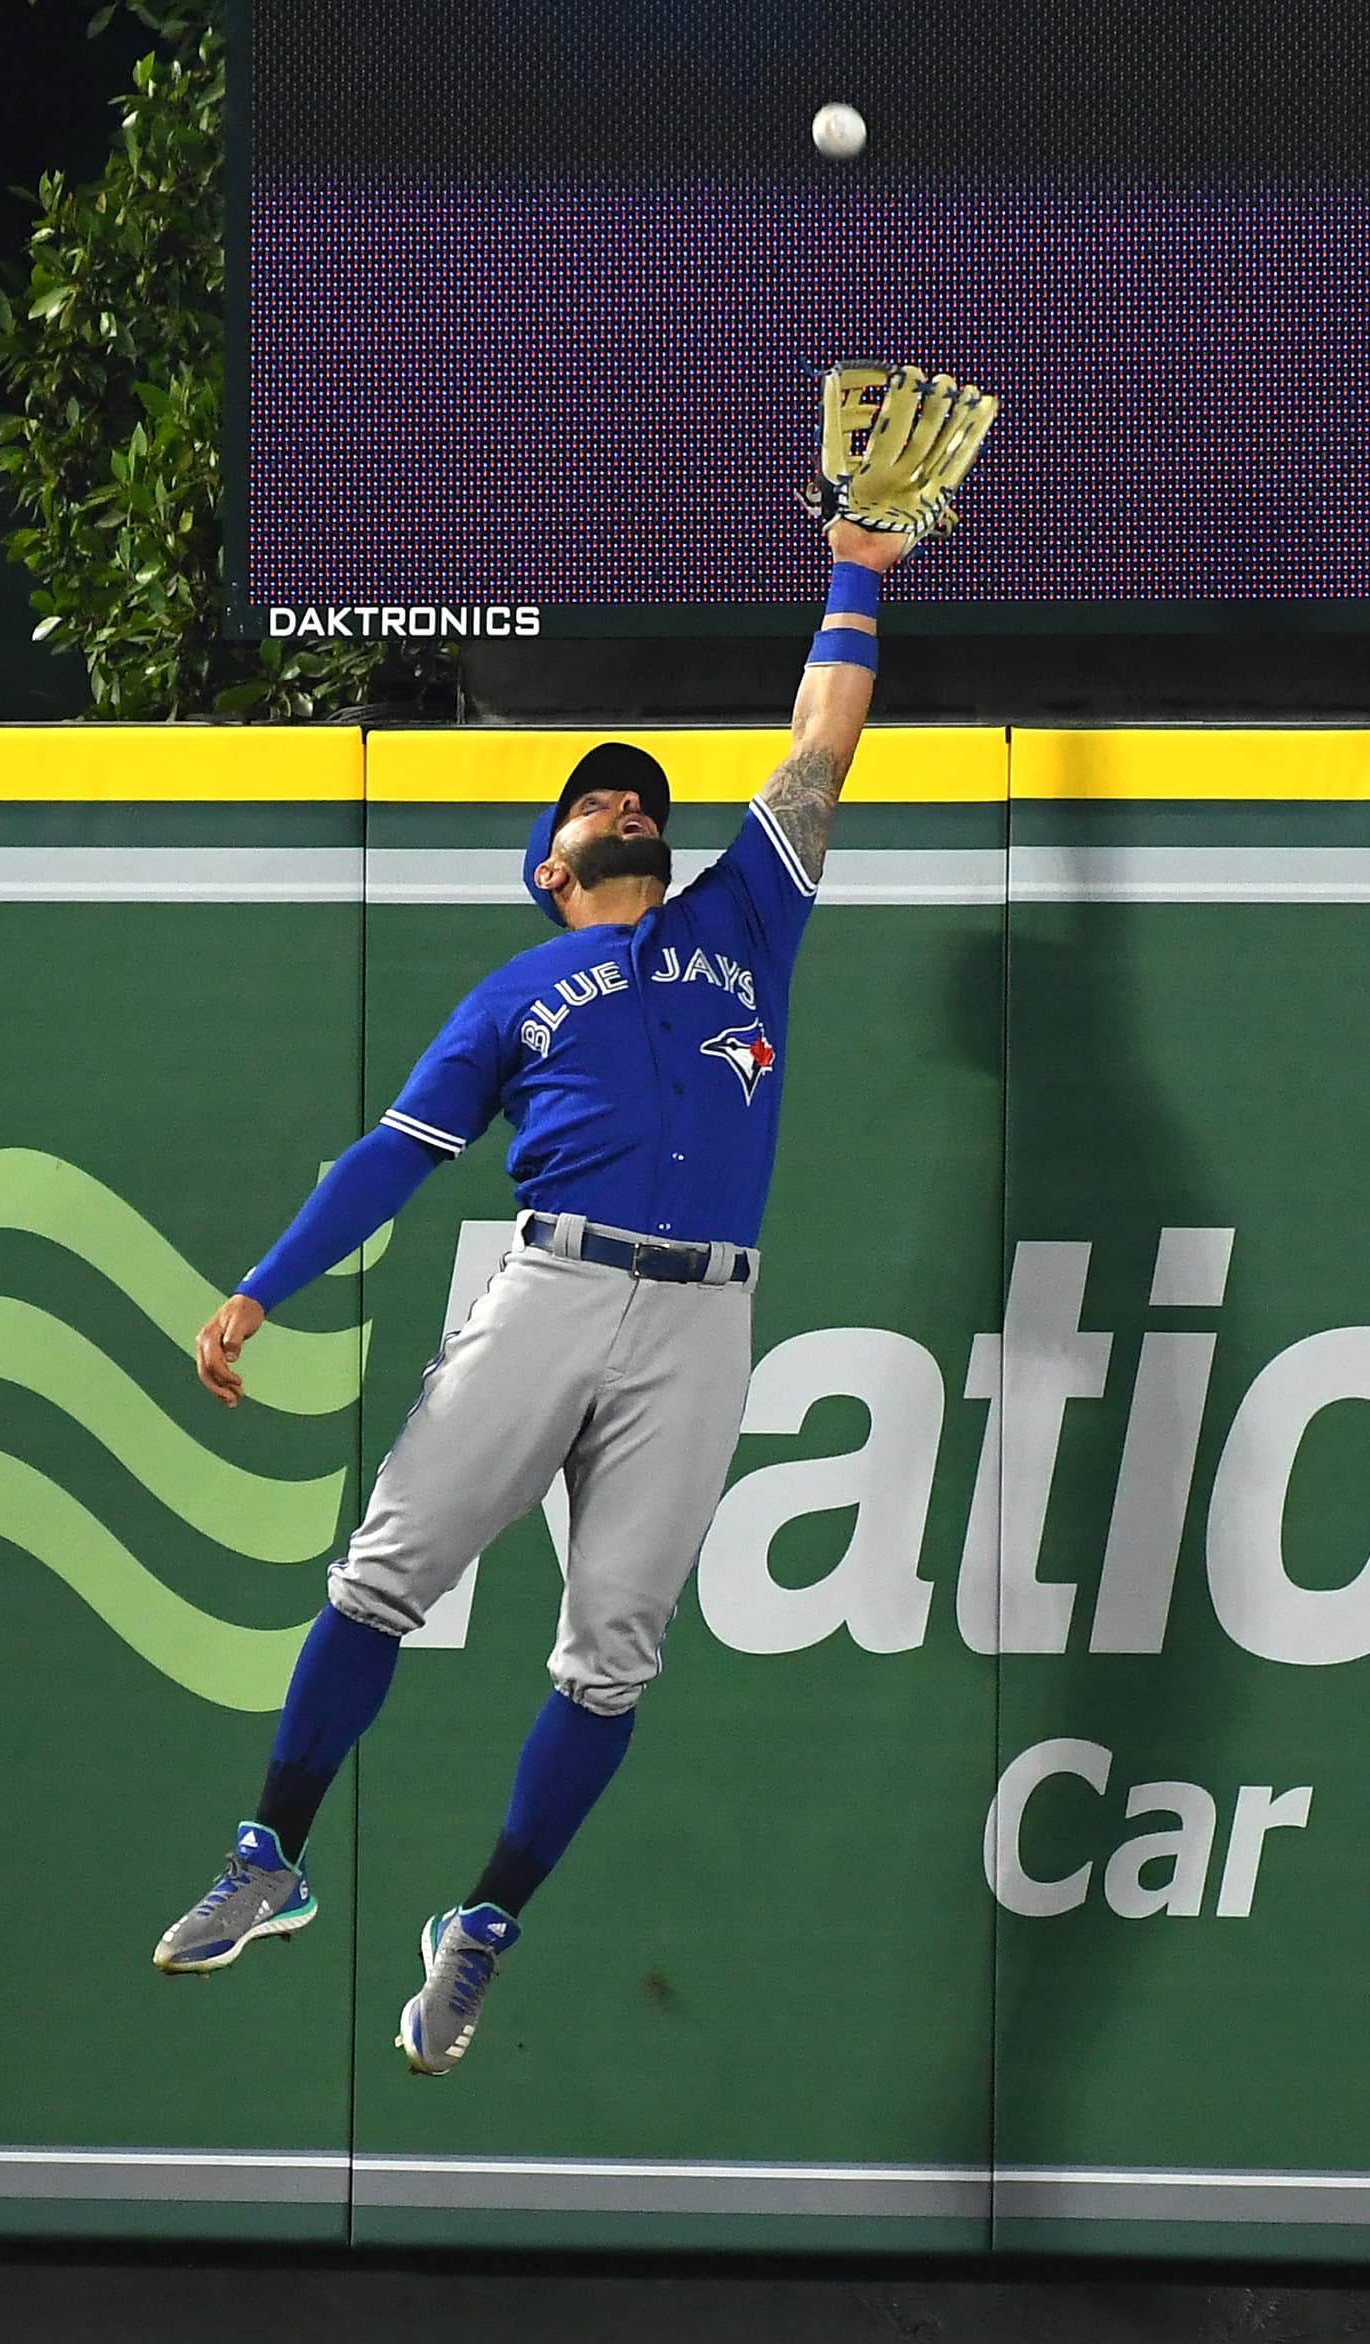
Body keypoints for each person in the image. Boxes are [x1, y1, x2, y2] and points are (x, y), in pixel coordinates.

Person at [147, 493, 930, 2074]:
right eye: (598, 802)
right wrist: (258, 1289)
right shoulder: (517, 988)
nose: (628, 804)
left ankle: (482, 1927)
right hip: (553, 1287)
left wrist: (854, 571)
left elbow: (821, 741)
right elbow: (393, 1156)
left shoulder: (743, 920)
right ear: (552, 864)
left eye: (640, 796)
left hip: (706, 1314)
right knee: (383, 1576)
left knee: (615, 1654)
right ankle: (268, 1857)